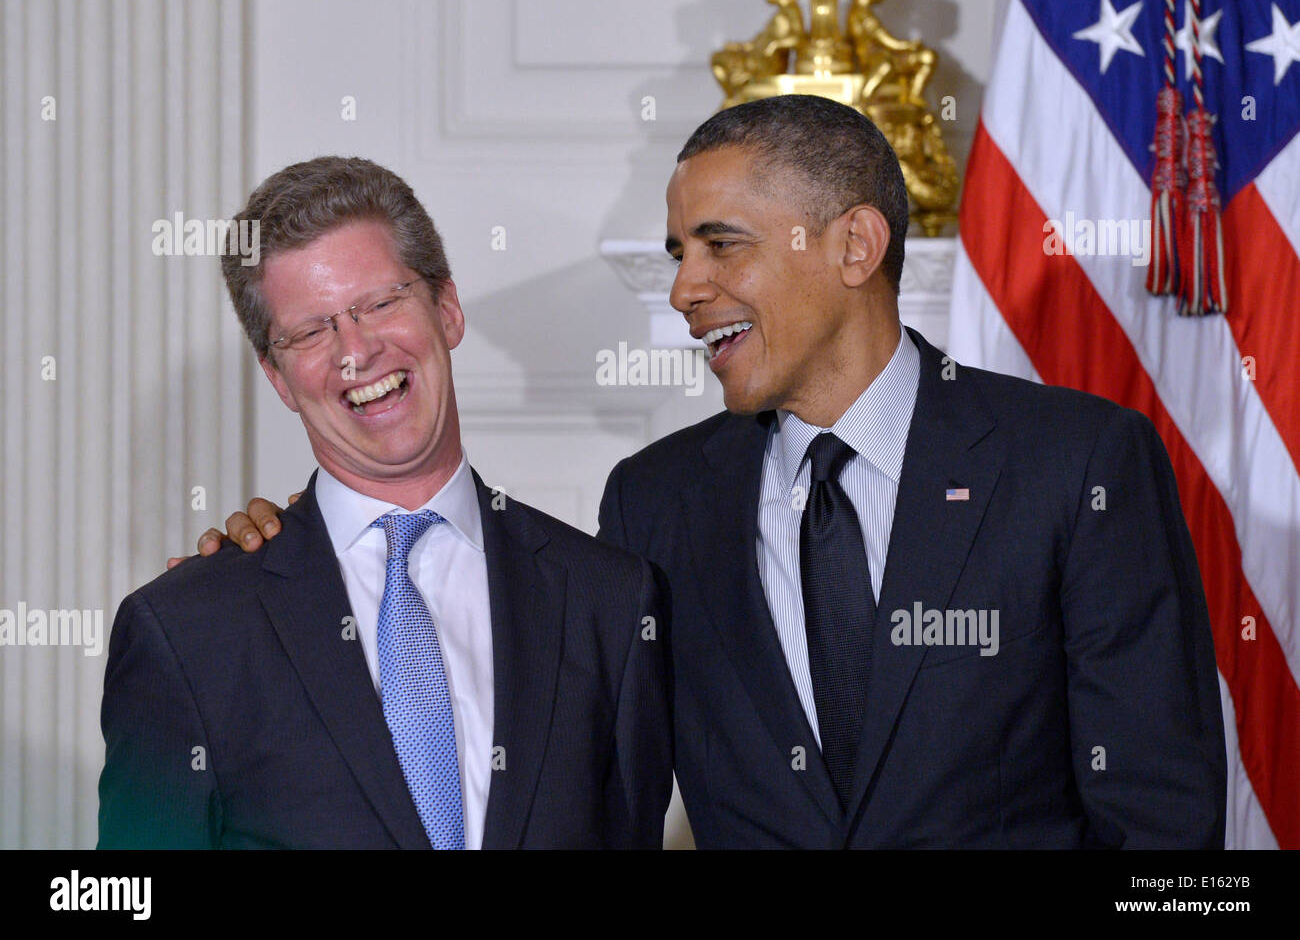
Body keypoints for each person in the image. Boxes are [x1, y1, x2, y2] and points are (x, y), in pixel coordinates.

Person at [201, 97, 1227, 848]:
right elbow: (576, 783)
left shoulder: (1077, 463)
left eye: (718, 246)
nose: (685, 288)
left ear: (854, 244)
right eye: (676, 252)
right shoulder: (653, 503)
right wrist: (308, 569)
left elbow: (1162, 829)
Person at [100, 157, 672, 849]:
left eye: (380, 302)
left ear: (448, 308)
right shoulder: (189, 632)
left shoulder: (608, 602)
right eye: (311, 331)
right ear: (277, 375)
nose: (357, 350)